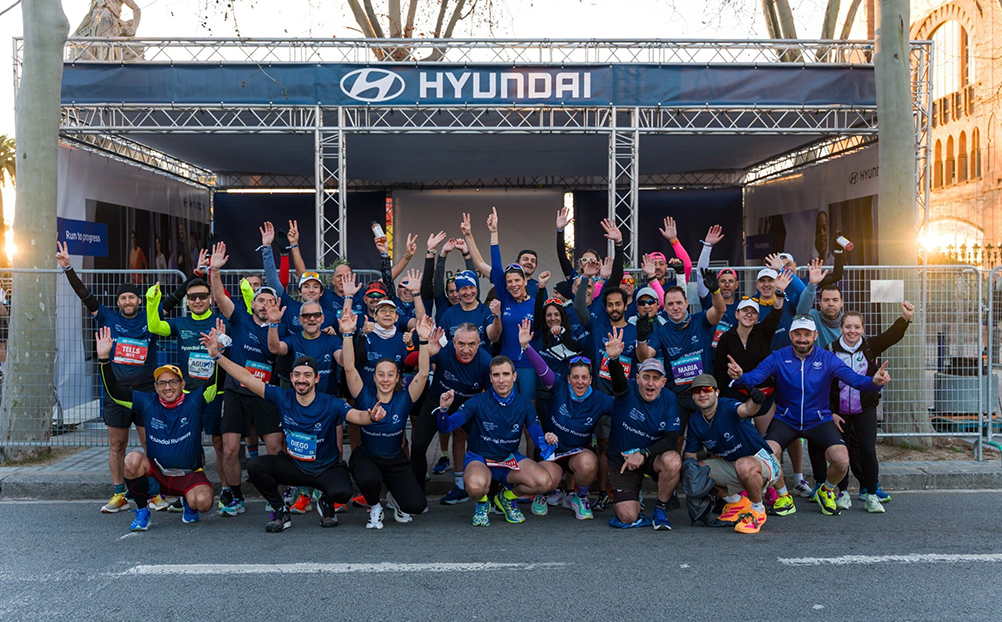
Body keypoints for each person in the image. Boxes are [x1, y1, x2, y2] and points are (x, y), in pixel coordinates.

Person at [206, 333, 387, 532]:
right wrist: (217, 357)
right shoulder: (282, 396)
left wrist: (371, 416)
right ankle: (280, 510)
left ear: (317, 378)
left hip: (324, 468)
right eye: (298, 375)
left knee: (343, 491)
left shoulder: (330, 403)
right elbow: (247, 378)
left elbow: (356, 416)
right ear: (291, 378)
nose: (302, 380)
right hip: (294, 466)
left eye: (307, 375)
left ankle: (326, 503)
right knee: (256, 465)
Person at [726, 315, 891, 516]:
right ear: (790, 335)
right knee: (767, 456)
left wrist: (874, 382)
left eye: (806, 334)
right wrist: (740, 375)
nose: (802, 339)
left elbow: (856, 381)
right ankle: (784, 496)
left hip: (819, 419)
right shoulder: (778, 357)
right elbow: (753, 378)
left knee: (841, 460)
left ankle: (826, 490)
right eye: (797, 334)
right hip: (786, 419)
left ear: (815, 335)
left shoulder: (827, 358)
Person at [56, 240, 160, 514]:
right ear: (118, 302)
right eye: (123, 298)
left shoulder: (150, 318)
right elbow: (84, 295)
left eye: (132, 297)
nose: (128, 301)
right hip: (115, 392)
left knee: (152, 443)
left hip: (146, 391)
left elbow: (172, 300)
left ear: (139, 300)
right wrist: (68, 268)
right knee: (117, 444)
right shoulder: (107, 318)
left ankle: (154, 492)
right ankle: (119, 494)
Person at [96, 327, 223, 532]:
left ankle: (188, 505)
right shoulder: (147, 402)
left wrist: (218, 354)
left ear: (182, 384)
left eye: (173, 381)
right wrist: (104, 359)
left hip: (189, 474)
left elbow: (217, 382)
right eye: (161, 383)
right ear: (155, 387)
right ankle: (142, 511)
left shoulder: (195, 401)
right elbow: (115, 392)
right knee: (131, 461)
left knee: (203, 502)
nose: (167, 387)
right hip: (157, 474)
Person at [435, 356, 559, 527]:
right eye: (496, 375)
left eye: (506, 374)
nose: (501, 380)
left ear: (514, 376)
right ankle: (483, 502)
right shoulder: (478, 401)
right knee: (475, 487)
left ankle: (506, 498)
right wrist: (444, 409)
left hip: (508, 460)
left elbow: (536, 434)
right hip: (480, 459)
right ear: (490, 378)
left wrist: (546, 439)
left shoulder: (524, 404)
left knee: (544, 482)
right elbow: (446, 427)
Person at [145, 271, 233, 511]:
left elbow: (233, 343)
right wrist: (152, 301)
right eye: (192, 297)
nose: (197, 301)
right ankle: (184, 490)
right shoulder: (181, 323)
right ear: (187, 301)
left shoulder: (218, 320)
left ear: (210, 299)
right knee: (187, 445)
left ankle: (226, 490)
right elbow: (153, 326)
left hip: (213, 392)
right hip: (187, 395)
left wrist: (224, 341)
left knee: (218, 443)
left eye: (202, 297)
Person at [207, 241, 282, 517]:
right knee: (229, 450)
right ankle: (235, 495)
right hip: (235, 391)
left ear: (275, 305)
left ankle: (274, 494)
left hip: (265, 394)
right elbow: (219, 297)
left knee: (274, 448)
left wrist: (274, 324)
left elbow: (277, 350)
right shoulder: (240, 318)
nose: (264, 305)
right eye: (260, 300)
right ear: (253, 303)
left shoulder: (278, 326)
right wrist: (214, 271)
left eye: (270, 301)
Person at [342, 310, 433, 529]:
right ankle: (374, 506)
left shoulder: (404, 399)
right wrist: (347, 335)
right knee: (368, 478)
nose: (385, 379)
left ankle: (395, 499)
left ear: (397, 377)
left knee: (417, 505)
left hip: (395, 460)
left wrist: (423, 340)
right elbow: (349, 367)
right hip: (367, 457)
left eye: (390, 374)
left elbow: (422, 374)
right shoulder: (365, 396)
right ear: (374, 377)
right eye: (380, 374)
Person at [521, 319, 613, 520]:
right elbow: (542, 369)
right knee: (546, 481)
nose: (579, 382)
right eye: (575, 377)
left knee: (590, 462)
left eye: (584, 377)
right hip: (552, 452)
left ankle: (581, 497)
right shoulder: (559, 386)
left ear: (590, 379)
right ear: (569, 378)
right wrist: (526, 347)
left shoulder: (599, 399)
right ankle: (543, 494)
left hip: (577, 454)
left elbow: (623, 409)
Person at [828, 303, 914, 512]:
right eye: (848, 327)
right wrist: (830, 411)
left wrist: (905, 318)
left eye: (857, 327)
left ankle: (871, 494)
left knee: (868, 451)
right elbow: (824, 383)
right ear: (841, 328)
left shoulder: (869, 346)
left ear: (863, 329)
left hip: (865, 408)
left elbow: (891, 336)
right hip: (840, 412)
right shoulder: (830, 350)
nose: (852, 331)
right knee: (843, 453)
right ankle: (843, 493)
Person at [683, 374, 787, 534]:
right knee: (696, 469)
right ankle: (736, 503)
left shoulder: (727, 406)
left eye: (707, 389)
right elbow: (690, 457)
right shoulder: (695, 421)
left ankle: (758, 510)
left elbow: (746, 409)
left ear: (716, 392)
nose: (702, 394)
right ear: (693, 396)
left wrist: (756, 401)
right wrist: (690, 478)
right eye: (697, 391)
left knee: (743, 464)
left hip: (763, 461)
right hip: (733, 466)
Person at [636, 268, 726, 439]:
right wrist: (641, 339)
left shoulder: (701, 320)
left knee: (714, 438)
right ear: (665, 307)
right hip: (678, 396)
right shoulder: (662, 332)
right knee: (675, 440)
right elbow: (644, 356)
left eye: (678, 303)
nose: (675, 307)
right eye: (670, 304)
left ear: (686, 303)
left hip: (704, 391)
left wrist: (715, 291)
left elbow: (719, 311)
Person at [410, 322, 493, 504]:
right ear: (453, 342)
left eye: (471, 344)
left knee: (487, 446)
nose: (466, 349)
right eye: (461, 344)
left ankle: (485, 493)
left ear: (479, 343)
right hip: (435, 402)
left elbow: (490, 398)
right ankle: (416, 496)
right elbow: (411, 364)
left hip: (467, 408)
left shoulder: (486, 362)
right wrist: (426, 351)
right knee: (417, 447)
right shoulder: (442, 350)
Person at [606, 356, 682, 531]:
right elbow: (618, 383)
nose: (650, 384)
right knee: (627, 517)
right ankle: (632, 495)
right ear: (638, 378)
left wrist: (643, 453)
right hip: (622, 459)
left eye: (656, 379)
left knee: (673, 460)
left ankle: (660, 510)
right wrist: (614, 360)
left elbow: (671, 440)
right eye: (646, 377)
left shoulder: (669, 398)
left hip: (649, 457)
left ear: (663, 382)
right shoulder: (628, 389)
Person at [486, 207, 550, 400]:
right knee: (505, 413)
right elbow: (496, 266)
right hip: (506, 365)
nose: (513, 285)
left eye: (517, 281)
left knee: (529, 413)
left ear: (525, 282)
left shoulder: (537, 302)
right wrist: (494, 233)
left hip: (529, 367)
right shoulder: (505, 298)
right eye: (509, 282)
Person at [462, 212, 543, 297]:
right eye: (525, 259)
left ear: (525, 282)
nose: (514, 284)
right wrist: (468, 235)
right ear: (517, 263)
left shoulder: (539, 287)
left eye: (533, 261)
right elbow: (480, 263)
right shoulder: (503, 282)